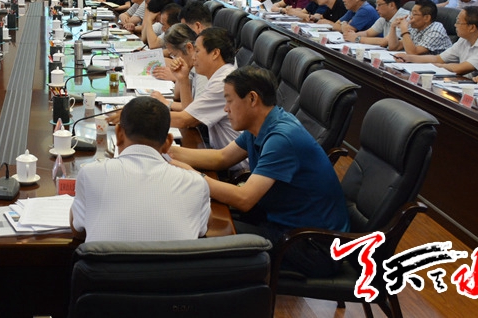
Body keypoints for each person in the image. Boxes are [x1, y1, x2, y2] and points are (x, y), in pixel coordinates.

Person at [168, 66, 348, 278]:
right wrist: (166, 151)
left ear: (252, 99)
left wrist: (193, 175)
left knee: (204, 236)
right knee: (200, 219)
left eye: (229, 101)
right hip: (284, 224)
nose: (225, 109)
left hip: (313, 246)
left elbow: (244, 199)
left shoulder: (282, 138)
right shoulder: (262, 124)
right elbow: (221, 158)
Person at [70, 97, 210, 242]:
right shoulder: (196, 184)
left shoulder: (91, 174)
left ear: (119, 134)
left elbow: (79, 231)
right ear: (168, 142)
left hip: (109, 258)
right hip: (171, 258)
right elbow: (202, 229)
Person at [153, 27, 236, 153]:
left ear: (215, 54)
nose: (193, 57)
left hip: (233, 162)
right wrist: (183, 79)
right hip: (218, 150)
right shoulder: (219, 75)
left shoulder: (222, 83)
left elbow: (185, 120)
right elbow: (189, 112)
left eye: (197, 51)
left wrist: (138, 116)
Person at [395, 6, 478, 77]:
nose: (455, 25)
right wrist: (409, 58)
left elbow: (460, 69)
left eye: (458, 22)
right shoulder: (464, 39)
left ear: (472, 28)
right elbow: (438, 58)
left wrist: (435, 66)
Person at [152, 24, 208, 110]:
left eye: (175, 55)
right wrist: (181, 77)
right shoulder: (189, 66)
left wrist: (166, 102)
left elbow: (195, 111)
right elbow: (177, 94)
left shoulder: (202, 70)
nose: (174, 60)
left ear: (189, 47)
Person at [388, 0, 453, 55]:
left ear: (427, 18)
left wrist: (404, 29)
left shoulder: (436, 30)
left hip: (439, 65)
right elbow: (394, 47)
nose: (410, 17)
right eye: (411, 13)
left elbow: (413, 53)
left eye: (414, 14)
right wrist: (393, 27)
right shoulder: (416, 28)